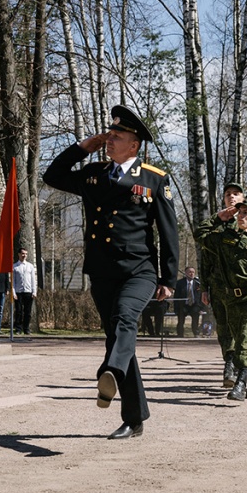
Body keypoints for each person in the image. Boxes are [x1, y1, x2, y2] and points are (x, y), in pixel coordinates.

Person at [42, 104, 178, 440]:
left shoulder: (153, 179)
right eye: (109, 134)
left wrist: (168, 279)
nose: (110, 139)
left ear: (134, 145)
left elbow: (169, 231)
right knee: (120, 337)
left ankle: (109, 371)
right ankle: (134, 418)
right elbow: (52, 177)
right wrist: (80, 148)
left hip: (139, 270)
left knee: (124, 320)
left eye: (118, 136)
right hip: (102, 271)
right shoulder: (95, 174)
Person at [198, 200, 247, 401]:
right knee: (240, 340)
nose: (241, 216)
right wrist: (219, 217)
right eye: (240, 212)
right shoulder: (225, 238)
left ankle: (240, 384)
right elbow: (200, 235)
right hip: (231, 299)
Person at [195, 181, 246, 387]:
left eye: (236, 194)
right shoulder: (216, 225)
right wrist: (205, 287)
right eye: (227, 194)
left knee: (243, 329)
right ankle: (230, 364)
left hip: (242, 287)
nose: (231, 197)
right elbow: (204, 253)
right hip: (218, 287)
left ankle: (245, 367)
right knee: (224, 329)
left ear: (243, 199)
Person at [13, 247, 38, 334]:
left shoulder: (30, 266)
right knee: (19, 311)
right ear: (19, 254)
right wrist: (13, 292)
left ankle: (26, 328)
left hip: (28, 291)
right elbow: (13, 281)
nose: (24, 255)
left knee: (28, 312)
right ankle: (18, 329)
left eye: (26, 254)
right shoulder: (15, 266)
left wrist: (34, 292)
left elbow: (33, 280)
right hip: (18, 292)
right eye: (23, 254)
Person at [173, 267, 203, 338]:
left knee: (196, 314)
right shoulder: (180, 283)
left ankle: (196, 333)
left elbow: (201, 296)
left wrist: (201, 307)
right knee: (181, 315)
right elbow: (176, 297)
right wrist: (176, 308)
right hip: (183, 305)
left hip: (195, 305)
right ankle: (180, 333)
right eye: (190, 272)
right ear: (186, 273)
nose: (191, 274)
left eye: (193, 272)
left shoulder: (198, 283)